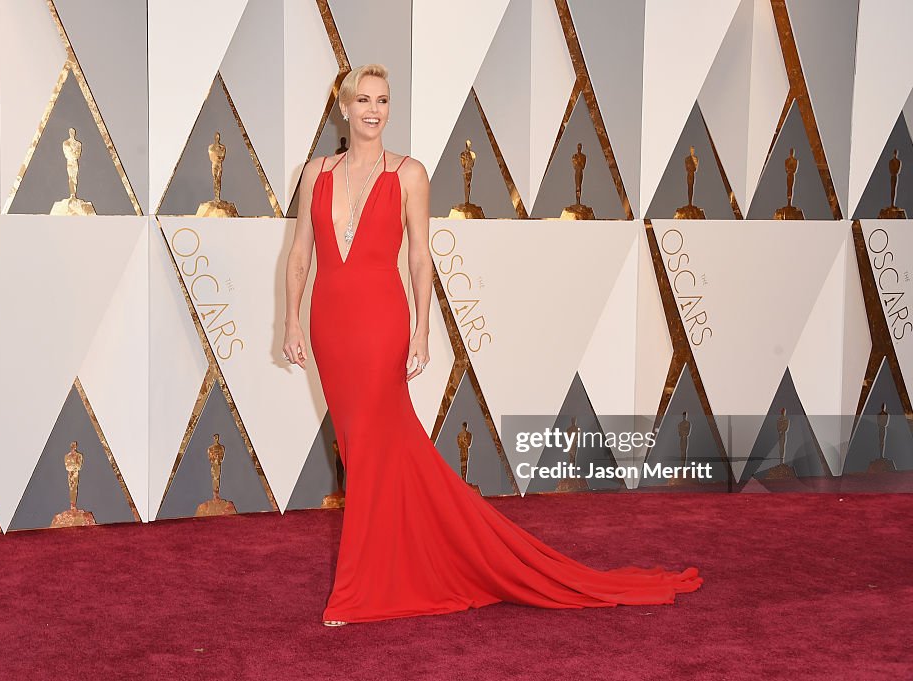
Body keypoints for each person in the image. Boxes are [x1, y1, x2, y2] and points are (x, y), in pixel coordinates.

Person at [282, 63, 701, 626]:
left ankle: (360, 588)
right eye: (363, 100)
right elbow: (301, 255)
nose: (374, 110)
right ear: (344, 106)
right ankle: (403, 564)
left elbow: (419, 257)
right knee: (363, 451)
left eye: (382, 100)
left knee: (378, 449)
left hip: (382, 326)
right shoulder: (314, 174)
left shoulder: (409, 173)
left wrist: (423, 330)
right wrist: (290, 322)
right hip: (328, 326)